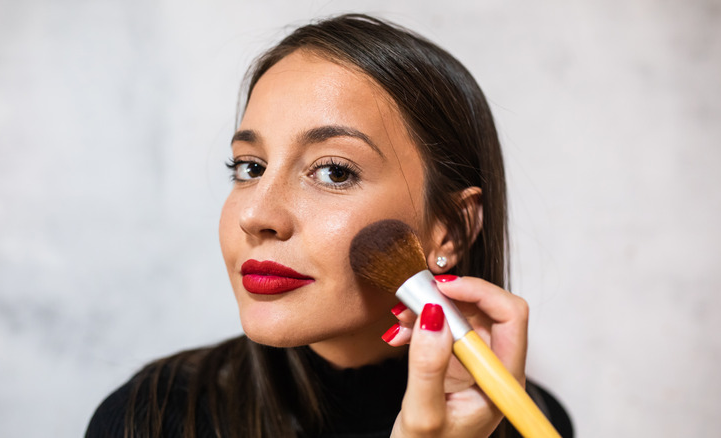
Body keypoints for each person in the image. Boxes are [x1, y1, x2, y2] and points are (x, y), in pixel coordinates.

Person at [86, 13, 573, 438]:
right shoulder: (148, 419)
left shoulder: (532, 420)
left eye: (334, 171)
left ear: (450, 228)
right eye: (250, 167)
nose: (257, 215)